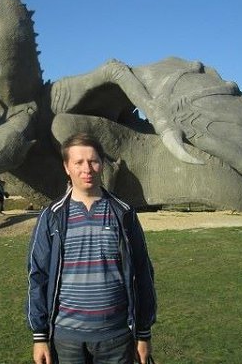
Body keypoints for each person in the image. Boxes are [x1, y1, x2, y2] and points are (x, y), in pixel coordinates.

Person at [27, 133, 157, 364]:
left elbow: (143, 272)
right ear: (67, 167)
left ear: (102, 164)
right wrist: (40, 336)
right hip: (66, 339)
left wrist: (143, 332)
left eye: (93, 161)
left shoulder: (124, 213)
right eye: (78, 162)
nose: (86, 169)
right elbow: (38, 276)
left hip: (117, 337)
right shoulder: (51, 216)